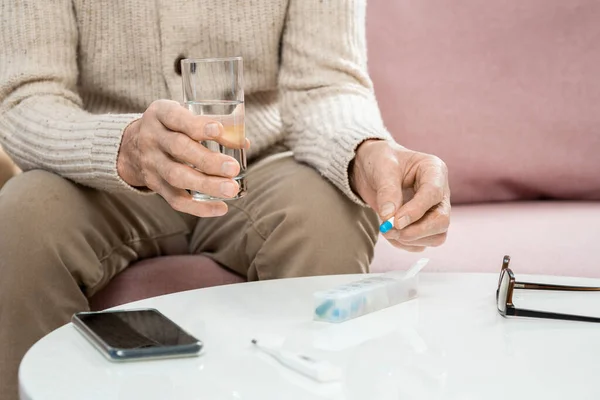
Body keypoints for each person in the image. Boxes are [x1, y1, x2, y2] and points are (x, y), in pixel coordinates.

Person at [0, 1, 450, 398]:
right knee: (20, 221)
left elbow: (325, 86)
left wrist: (365, 151)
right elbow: (26, 98)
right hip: (98, 165)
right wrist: (126, 147)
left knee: (326, 218)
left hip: (263, 165)